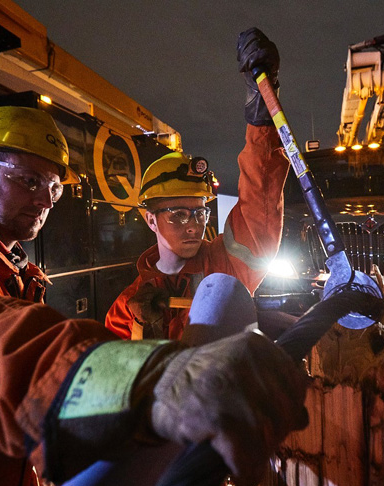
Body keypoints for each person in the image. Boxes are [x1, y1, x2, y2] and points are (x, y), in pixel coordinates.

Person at [0, 106, 308, 486]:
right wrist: (152, 380)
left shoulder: (11, 273)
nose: (45, 200)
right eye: (29, 181)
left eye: (53, 188)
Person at [106, 28, 289, 341]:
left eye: (199, 212)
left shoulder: (227, 264)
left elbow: (259, 201)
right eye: (178, 214)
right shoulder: (127, 307)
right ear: (150, 218)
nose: (193, 225)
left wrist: (260, 115)